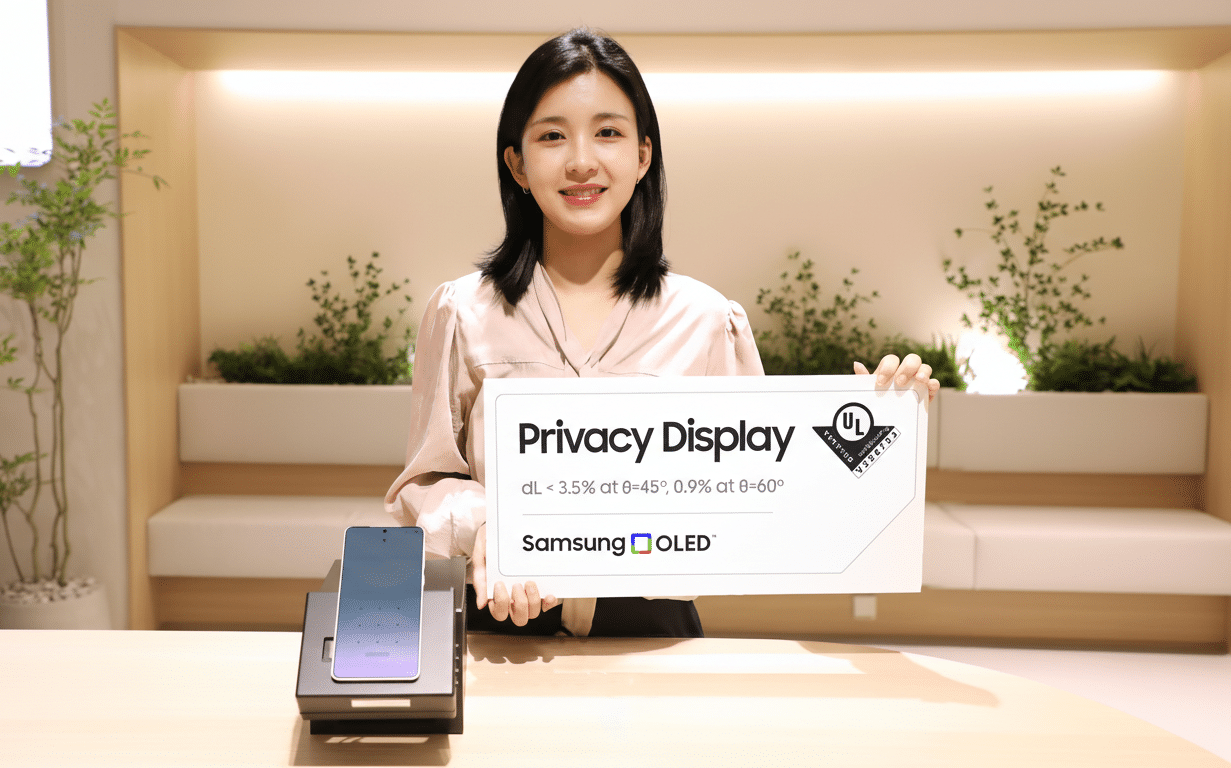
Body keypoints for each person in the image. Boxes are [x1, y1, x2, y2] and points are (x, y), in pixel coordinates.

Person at [384, 28, 939, 638]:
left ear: (643, 156)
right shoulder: (462, 312)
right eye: (552, 136)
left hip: (655, 638)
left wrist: (880, 427)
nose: (581, 161)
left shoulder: (707, 320)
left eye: (608, 132)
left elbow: (765, 491)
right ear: (516, 162)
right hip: (498, 631)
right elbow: (424, 484)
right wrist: (493, 526)